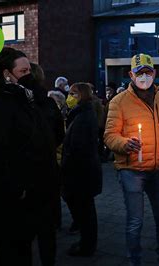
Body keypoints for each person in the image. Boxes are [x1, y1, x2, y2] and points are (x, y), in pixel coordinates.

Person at [0, 47, 59, 266]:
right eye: (23, 71)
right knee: (12, 252)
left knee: (23, 250)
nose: (29, 75)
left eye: (30, 69)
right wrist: (15, 188)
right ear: (6, 74)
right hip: (12, 200)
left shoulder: (24, 99)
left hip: (32, 194)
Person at [104, 53, 159, 266]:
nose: (144, 77)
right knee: (135, 222)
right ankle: (134, 261)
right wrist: (124, 144)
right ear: (130, 75)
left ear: (154, 73)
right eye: (139, 73)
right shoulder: (119, 101)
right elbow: (109, 135)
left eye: (148, 72)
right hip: (132, 170)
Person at [61, 82, 102, 256]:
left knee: (85, 213)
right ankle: (86, 243)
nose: (69, 97)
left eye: (73, 94)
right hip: (84, 172)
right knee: (86, 211)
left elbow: (78, 147)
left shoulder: (83, 116)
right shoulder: (82, 113)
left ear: (82, 96)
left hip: (81, 173)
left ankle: (87, 246)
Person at [29, 62, 63, 266]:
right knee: (46, 228)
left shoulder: (41, 104)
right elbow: (59, 134)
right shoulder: (48, 103)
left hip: (36, 173)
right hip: (47, 170)